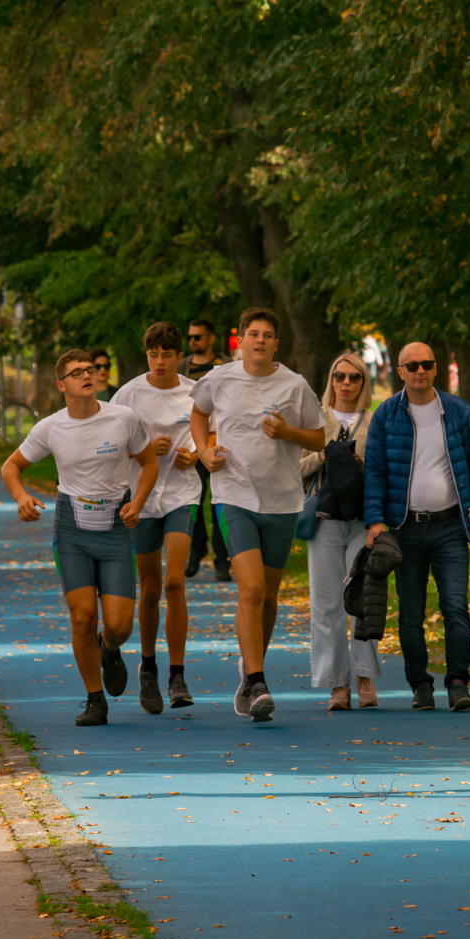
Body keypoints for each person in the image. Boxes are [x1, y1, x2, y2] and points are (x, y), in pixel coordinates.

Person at [1, 349, 159, 727]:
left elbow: (149, 462)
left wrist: (138, 502)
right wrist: (22, 497)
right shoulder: (50, 427)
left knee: (119, 625)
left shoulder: (123, 418)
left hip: (117, 526)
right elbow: (12, 466)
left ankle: (109, 648)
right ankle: (94, 700)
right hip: (71, 529)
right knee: (82, 616)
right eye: (76, 372)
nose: (86, 375)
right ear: (62, 385)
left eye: (90, 369)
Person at [189, 307, 324, 723]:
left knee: (268, 595)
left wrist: (287, 433)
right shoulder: (220, 378)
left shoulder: (295, 385)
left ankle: (250, 676)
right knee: (249, 590)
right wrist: (204, 450)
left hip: (282, 500)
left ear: (276, 344)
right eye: (253, 334)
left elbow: (318, 436)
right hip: (233, 494)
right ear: (241, 341)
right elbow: (198, 413)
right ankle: (257, 678)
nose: (260, 340)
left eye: (267, 335)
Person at [363, 341, 470, 712]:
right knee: (411, 613)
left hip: (452, 526)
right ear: (399, 371)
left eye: (427, 364)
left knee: (455, 607)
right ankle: (420, 684)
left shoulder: (458, 411)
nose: (420, 371)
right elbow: (375, 472)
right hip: (404, 529)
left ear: (436, 368)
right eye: (412, 365)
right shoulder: (386, 415)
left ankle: (458, 682)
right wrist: (375, 521)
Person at [111, 322, 203, 713]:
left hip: (183, 493)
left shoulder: (194, 392)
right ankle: (148, 665)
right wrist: (144, 450)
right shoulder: (129, 394)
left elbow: (209, 434)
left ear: (178, 355)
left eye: (167, 354)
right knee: (149, 587)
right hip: (144, 499)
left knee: (174, 581)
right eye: (154, 354)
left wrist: (195, 453)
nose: (160, 361)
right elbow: (111, 446)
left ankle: (177, 674)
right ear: (146, 354)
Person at [301, 352, 380, 712]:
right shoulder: (314, 420)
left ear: (364, 382)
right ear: (331, 380)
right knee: (327, 603)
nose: (346, 383)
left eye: (354, 377)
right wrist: (322, 455)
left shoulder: (374, 422)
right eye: (339, 376)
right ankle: (337, 684)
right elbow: (291, 469)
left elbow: (385, 471)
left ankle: (364, 674)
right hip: (324, 518)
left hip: (362, 520)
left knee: (363, 600)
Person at [178, 318, 232, 581]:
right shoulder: (183, 367)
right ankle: (197, 550)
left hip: (222, 443)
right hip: (192, 443)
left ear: (211, 337)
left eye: (198, 337)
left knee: (220, 502)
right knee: (193, 501)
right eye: (190, 337)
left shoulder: (228, 365)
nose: (193, 341)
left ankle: (223, 560)